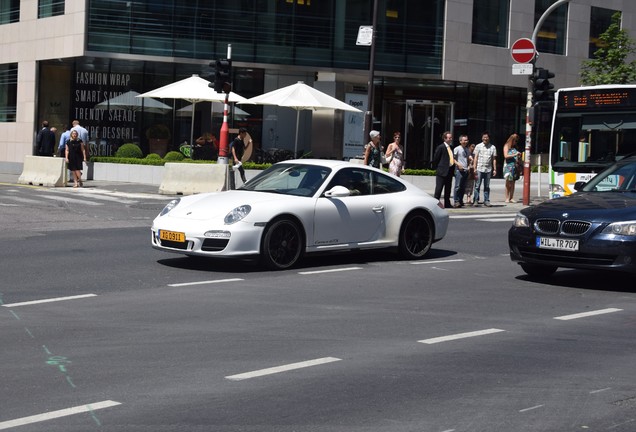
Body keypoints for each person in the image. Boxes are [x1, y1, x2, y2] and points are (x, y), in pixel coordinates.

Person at [472, 131, 497, 207]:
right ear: (482, 138)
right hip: (479, 168)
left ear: (489, 138)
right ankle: (476, 200)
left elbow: (494, 159)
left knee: (486, 186)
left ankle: (486, 200)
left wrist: (495, 169)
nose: (485, 138)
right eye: (484, 137)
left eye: (486, 137)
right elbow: (475, 157)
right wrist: (474, 168)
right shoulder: (478, 146)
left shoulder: (493, 147)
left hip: (488, 169)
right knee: (477, 185)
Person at [432, 131, 455, 208]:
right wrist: (438, 168)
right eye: (449, 138)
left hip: (449, 171)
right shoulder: (441, 147)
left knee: (448, 189)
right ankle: (435, 203)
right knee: (439, 189)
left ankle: (447, 203)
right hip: (442, 171)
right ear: (445, 139)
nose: (451, 139)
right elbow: (436, 159)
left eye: (451, 137)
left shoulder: (451, 147)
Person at [502, 133, 521, 203]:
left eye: (516, 141)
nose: (515, 142)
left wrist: (518, 157)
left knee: (513, 182)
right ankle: (507, 197)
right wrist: (515, 154)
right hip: (508, 166)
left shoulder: (514, 148)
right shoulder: (506, 146)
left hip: (514, 166)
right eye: (515, 141)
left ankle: (511, 197)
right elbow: (506, 156)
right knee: (508, 182)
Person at [452, 134, 470, 207]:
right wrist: (458, 164)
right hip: (459, 170)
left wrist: (469, 165)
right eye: (464, 140)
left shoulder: (466, 149)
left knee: (463, 187)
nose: (466, 141)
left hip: (465, 170)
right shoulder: (457, 149)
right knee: (457, 186)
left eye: (467, 140)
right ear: (460, 141)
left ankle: (460, 200)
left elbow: (469, 158)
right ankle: (456, 201)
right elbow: (452, 159)